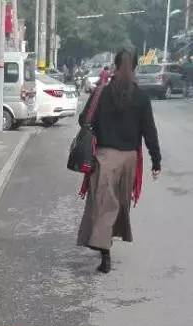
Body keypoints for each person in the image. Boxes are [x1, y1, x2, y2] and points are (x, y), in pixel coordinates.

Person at [77, 48, 161, 274]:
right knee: (119, 205)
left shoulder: (101, 93)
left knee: (103, 205)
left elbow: (84, 120)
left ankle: (104, 251)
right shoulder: (141, 97)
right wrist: (156, 161)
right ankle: (106, 244)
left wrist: (100, 128)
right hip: (129, 160)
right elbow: (149, 132)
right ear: (134, 67)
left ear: (114, 66)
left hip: (104, 158)